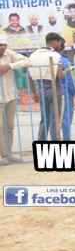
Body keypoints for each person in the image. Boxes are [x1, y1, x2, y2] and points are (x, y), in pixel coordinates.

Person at [27, 35, 66, 142]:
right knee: (56, 121)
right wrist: (68, 71)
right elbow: (60, 75)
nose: (60, 46)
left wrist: (33, 92)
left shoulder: (33, 55)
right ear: (55, 42)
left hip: (42, 92)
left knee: (44, 120)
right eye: (60, 43)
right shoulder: (55, 55)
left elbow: (30, 76)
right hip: (56, 92)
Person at [0, 34, 30, 164]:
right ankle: (4, 155)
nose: (2, 47)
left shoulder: (9, 54)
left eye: (4, 45)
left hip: (10, 96)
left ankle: (9, 154)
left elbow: (27, 61)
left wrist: (9, 66)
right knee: (0, 128)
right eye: (0, 45)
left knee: (9, 126)